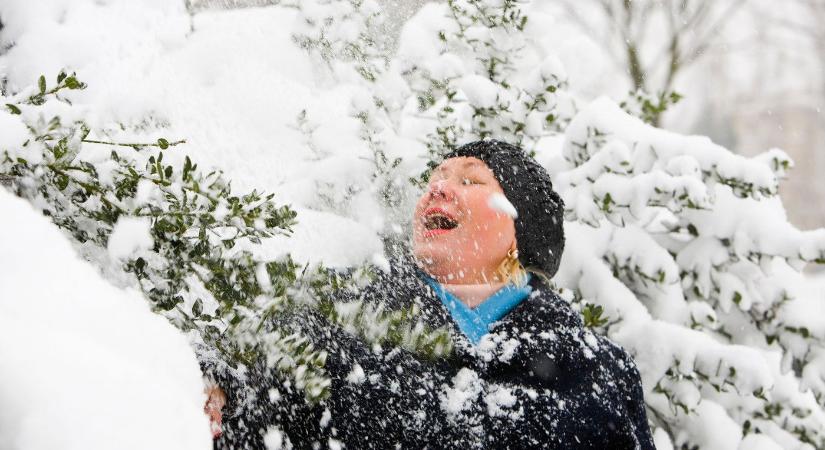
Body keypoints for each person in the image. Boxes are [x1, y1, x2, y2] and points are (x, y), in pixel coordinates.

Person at [204, 140, 655, 449]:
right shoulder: (334, 318)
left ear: (522, 226)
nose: (437, 187)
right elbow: (236, 390)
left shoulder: (597, 376)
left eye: (471, 181)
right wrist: (215, 384)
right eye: (436, 178)